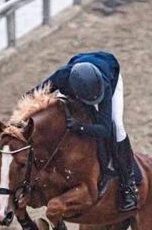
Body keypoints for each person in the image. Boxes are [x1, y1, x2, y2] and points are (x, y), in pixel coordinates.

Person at [31, 51, 138, 212]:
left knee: (117, 127)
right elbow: (32, 96)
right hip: (78, 79)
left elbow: (105, 129)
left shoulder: (105, 85)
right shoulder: (61, 77)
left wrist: (79, 127)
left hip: (110, 74)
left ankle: (129, 186)